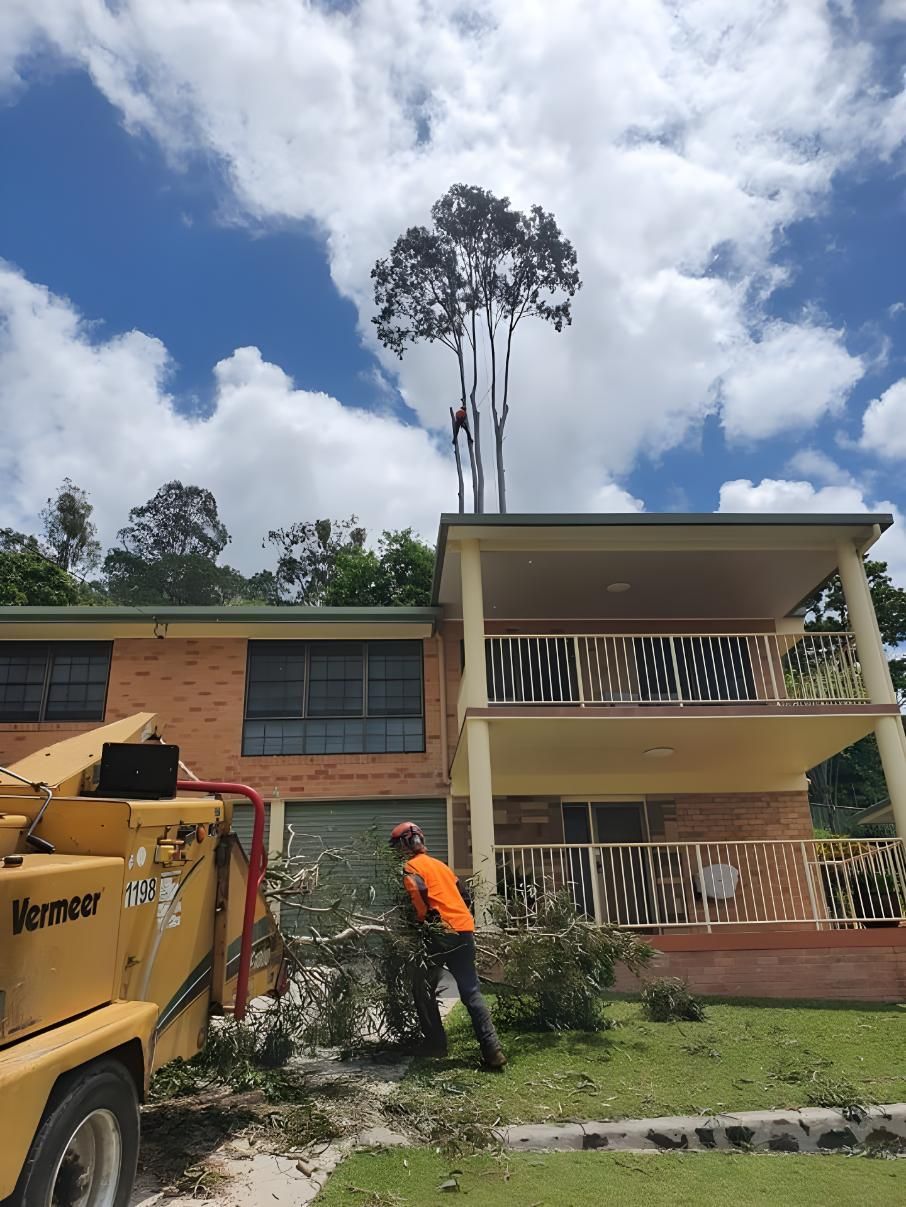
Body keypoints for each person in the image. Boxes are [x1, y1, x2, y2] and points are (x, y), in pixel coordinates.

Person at [389, 821, 506, 1069]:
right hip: (463, 929)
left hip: (439, 932)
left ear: (403, 845)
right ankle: (492, 1050)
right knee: (471, 991)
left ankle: (435, 1044)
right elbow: (464, 895)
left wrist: (423, 921)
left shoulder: (410, 867)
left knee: (422, 986)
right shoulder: (441, 866)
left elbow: (418, 892)